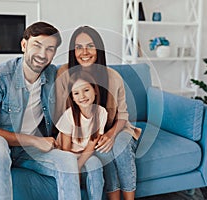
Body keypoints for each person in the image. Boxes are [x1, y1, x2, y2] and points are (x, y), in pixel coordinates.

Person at [0, 22, 81, 200]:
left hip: (27, 151)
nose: (43, 54)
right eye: (37, 45)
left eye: (50, 49)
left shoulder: (54, 75)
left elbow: (81, 82)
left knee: (67, 161)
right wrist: (34, 140)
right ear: (24, 45)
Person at [55, 26, 142, 200]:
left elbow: (123, 116)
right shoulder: (64, 74)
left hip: (117, 129)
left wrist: (110, 134)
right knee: (103, 152)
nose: (84, 52)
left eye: (90, 46)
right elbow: (61, 113)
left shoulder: (113, 77)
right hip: (88, 135)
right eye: (79, 47)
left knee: (118, 146)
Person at [56, 71, 106, 200]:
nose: (82, 96)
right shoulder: (69, 115)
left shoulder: (101, 112)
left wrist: (78, 166)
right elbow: (65, 149)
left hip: (86, 153)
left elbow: (92, 143)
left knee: (96, 165)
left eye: (86, 90)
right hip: (68, 155)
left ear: (95, 90)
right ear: (72, 97)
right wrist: (73, 167)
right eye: (76, 93)